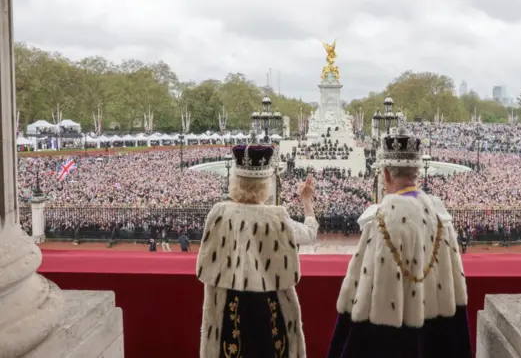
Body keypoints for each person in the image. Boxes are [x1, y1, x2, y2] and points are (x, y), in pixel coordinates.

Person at [327, 127, 472, 358]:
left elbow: (368, 289)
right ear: (417, 172)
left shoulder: (382, 221)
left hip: (391, 339)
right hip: (436, 333)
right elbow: (455, 288)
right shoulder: (440, 216)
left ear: (385, 174)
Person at [196, 143, 318, 358]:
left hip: (228, 305)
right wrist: (307, 202)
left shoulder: (218, 213)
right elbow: (309, 234)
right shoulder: (277, 217)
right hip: (270, 304)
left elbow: (204, 265)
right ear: (266, 184)